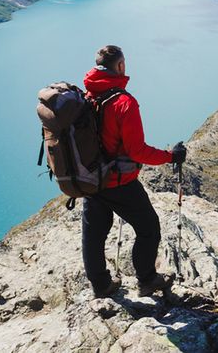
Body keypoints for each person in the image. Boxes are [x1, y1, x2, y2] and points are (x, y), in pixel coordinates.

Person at [81, 44, 187, 298]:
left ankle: (101, 285)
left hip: (90, 178)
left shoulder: (87, 96)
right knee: (149, 227)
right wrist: (170, 156)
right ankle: (147, 279)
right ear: (120, 66)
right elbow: (137, 151)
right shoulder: (123, 103)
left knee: (93, 233)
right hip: (119, 182)